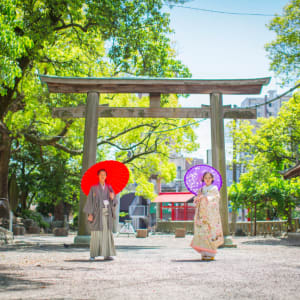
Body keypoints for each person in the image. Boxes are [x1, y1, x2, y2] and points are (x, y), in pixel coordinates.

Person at [83, 169, 118, 261]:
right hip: (97, 214)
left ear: (106, 177)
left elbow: (114, 202)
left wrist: (112, 198)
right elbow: (90, 201)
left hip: (107, 213)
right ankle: (93, 254)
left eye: (104, 174)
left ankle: (107, 254)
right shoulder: (93, 188)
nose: (103, 176)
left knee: (107, 233)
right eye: (101, 174)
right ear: (98, 176)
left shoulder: (109, 187)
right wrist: (90, 213)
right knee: (96, 233)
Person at [191, 171, 224, 260]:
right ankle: (204, 253)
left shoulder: (214, 188)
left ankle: (211, 253)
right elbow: (198, 200)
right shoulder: (201, 189)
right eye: (206, 178)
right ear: (203, 179)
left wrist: (206, 198)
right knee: (202, 233)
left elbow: (216, 198)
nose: (207, 179)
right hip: (201, 214)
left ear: (212, 179)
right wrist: (197, 199)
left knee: (210, 232)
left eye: (209, 178)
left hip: (210, 214)